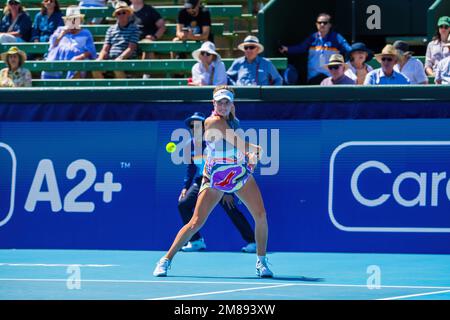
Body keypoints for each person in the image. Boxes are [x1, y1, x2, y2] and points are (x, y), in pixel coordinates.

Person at [153, 85, 273, 278]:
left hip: (237, 173)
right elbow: (242, 145)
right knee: (196, 222)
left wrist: (251, 159)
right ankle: (165, 260)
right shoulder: (212, 122)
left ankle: (262, 262)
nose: (223, 106)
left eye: (227, 102)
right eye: (220, 102)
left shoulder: (232, 121)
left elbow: (241, 152)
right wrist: (255, 150)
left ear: (232, 104)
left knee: (261, 215)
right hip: (216, 176)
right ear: (213, 103)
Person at [178, 111, 257, 252]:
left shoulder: (215, 142)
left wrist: (228, 190)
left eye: (198, 125)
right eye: (191, 126)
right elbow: (191, 167)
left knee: (230, 208)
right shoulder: (190, 145)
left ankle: (252, 241)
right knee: (183, 204)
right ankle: (196, 241)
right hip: (204, 180)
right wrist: (185, 187)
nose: (194, 128)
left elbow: (230, 164)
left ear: (205, 127)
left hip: (222, 178)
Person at [279, 12, 352, 84]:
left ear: (330, 25)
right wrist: (287, 49)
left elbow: (348, 49)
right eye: (320, 22)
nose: (322, 24)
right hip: (313, 77)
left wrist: (347, 64)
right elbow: (301, 47)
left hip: (331, 77)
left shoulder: (336, 37)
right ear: (316, 24)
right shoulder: (312, 38)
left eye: (325, 23)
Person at [41, 6, 97, 80]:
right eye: (70, 20)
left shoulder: (86, 33)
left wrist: (79, 57)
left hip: (77, 59)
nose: (73, 22)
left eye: (75, 19)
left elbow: (90, 51)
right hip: (58, 59)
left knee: (77, 66)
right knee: (48, 68)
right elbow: (53, 46)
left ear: (79, 20)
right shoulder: (60, 30)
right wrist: (62, 34)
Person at [93, 1, 140, 79]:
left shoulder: (134, 29)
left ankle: (121, 90)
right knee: (95, 67)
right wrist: (100, 59)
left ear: (128, 13)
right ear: (116, 15)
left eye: (123, 12)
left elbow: (131, 48)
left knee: (116, 66)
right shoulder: (110, 29)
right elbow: (105, 49)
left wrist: (120, 58)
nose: (121, 15)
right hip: (111, 59)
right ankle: (102, 89)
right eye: (119, 13)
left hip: (127, 60)